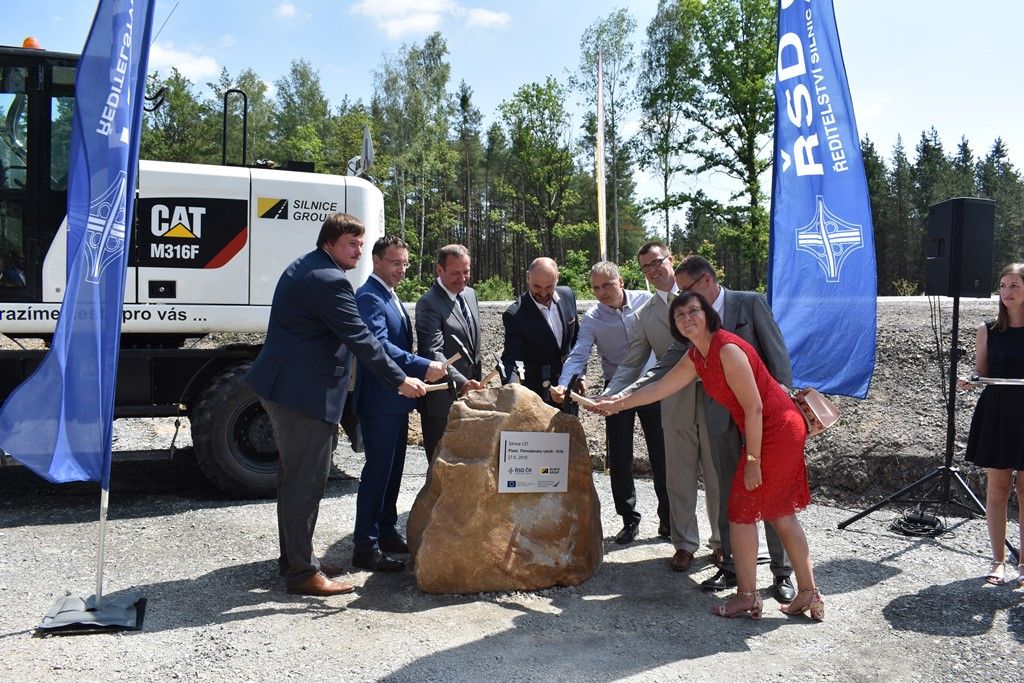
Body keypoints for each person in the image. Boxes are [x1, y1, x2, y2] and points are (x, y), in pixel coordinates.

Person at [597, 291, 823, 621]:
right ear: (674, 325)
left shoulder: (726, 349)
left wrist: (753, 462)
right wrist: (616, 404)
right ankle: (807, 593)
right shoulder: (696, 355)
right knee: (779, 513)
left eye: (693, 311)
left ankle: (750, 596)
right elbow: (659, 388)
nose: (686, 318)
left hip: (777, 428)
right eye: (680, 315)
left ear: (708, 315)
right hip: (768, 428)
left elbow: (754, 408)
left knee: (742, 512)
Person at [247, 213, 427, 597]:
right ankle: (301, 573)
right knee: (305, 484)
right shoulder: (328, 279)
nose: (358, 251)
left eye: (361, 244)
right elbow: (360, 337)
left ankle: (297, 560)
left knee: (294, 481)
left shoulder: (312, 268)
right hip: (302, 394)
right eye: (351, 244)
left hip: (290, 388)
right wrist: (400, 379)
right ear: (329, 242)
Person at [636, 256, 796, 602]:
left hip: (762, 418)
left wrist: (783, 401)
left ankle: (782, 573)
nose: (682, 298)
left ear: (707, 281)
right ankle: (731, 567)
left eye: (687, 289)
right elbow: (667, 365)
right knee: (727, 494)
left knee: (773, 498)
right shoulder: (693, 318)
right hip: (721, 420)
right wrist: (624, 395)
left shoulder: (749, 303)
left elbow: (777, 355)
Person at [602, 242, 720, 570]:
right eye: (645, 267)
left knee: (717, 475)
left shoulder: (703, 297)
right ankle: (684, 543)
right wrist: (611, 394)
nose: (652, 271)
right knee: (678, 478)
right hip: (674, 403)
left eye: (657, 262)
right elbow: (632, 362)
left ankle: (722, 543)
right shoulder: (645, 315)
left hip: (716, 398)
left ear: (671, 259)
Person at [551, 261, 670, 545]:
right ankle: (629, 519)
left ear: (622, 282)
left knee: (662, 453)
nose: (601, 292)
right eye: (595, 288)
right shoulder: (593, 318)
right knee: (619, 456)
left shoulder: (647, 301)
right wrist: (564, 383)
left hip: (651, 386)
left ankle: (668, 520)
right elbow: (579, 354)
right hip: (614, 390)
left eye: (606, 285)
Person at [353, 236, 446, 572]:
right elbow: (378, 346)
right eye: (395, 263)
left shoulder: (388, 294)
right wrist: (421, 365)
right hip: (380, 400)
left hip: (395, 401)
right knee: (378, 472)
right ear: (376, 261)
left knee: (392, 472)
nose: (401, 269)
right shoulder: (369, 296)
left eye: (405, 263)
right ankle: (365, 546)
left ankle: (385, 530)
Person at [963, 263, 1024, 586]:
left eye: (1014, 286)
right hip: (998, 412)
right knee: (998, 489)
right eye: (1002, 286)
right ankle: (998, 560)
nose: (1006, 292)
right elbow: (981, 371)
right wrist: (971, 379)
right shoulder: (987, 329)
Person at [416, 244, 484, 462]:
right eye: (455, 273)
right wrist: (462, 382)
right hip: (442, 402)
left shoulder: (470, 295)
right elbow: (432, 351)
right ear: (439, 270)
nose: (462, 278)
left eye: (466, 271)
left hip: (471, 397)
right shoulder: (428, 303)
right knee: (441, 467)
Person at [501, 257, 579, 409]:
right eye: (537, 287)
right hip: (538, 398)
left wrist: (580, 376)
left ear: (557, 278)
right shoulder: (515, 315)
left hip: (569, 390)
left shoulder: (568, 296)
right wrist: (512, 391)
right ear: (528, 277)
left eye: (549, 287)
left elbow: (577, 341)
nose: (543, 294)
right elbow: (511, 359)